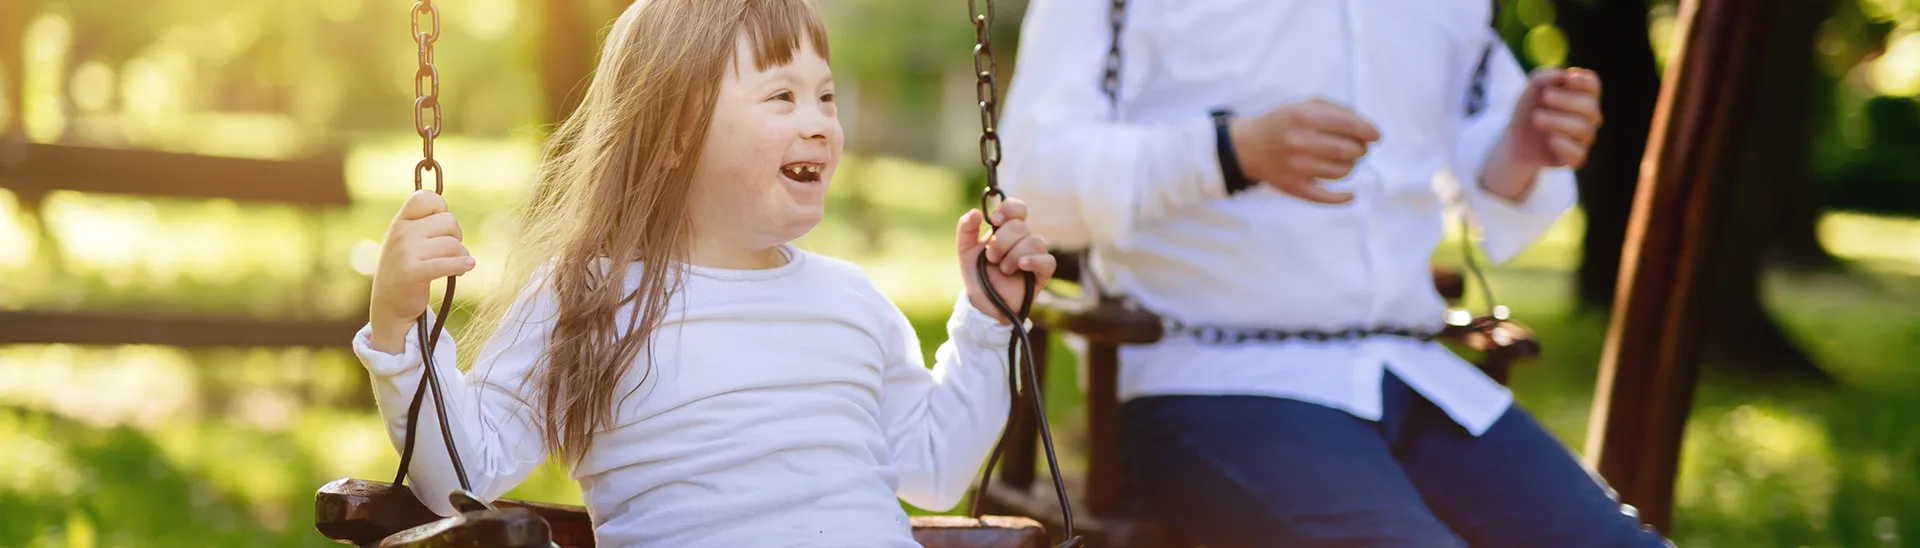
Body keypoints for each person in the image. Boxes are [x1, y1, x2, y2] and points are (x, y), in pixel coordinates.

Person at [351, 1, 1056, 546]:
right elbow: (462, 478)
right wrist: (399, 333)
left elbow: (936, 466)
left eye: (826, 97)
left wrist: (991, 321)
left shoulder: (851, 302)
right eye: (782, 97)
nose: (817, 123)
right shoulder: (588, 300)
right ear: (678, 130)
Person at [999, 1, 1671, 546]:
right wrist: (1228, 152)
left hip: (1413, 372)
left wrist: (1520, 147)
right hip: (1210, 380)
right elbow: (1032, 179)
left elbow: (1473, 152)